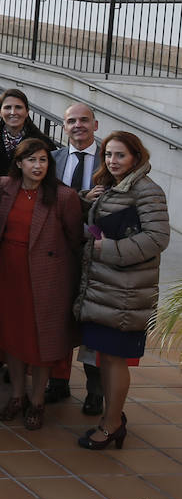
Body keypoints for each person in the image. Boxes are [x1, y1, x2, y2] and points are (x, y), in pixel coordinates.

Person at [76, 131, 170, 450]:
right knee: (107, 359)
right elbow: (96, 229)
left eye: (120, 155)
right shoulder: (112, 187)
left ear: (136, 157)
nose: (113, 161)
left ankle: (112, 424)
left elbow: (157, 238)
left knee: (115, 359)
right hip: (105, 290)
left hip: (126, 293)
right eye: (108, 155)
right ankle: (112, 416)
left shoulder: (147, 190)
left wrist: (106, 249)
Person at [0, 139, 82, 433]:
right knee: (12, 337)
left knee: (41, 343)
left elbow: (75, 240)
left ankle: (37, 401)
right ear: (19, 163)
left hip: (45, 279)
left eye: (43, 160)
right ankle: (16, 396)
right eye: (31, 160)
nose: (38, 166)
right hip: (7, 274)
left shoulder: (64, 197)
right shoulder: (5, 187)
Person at [51, 102, 104, 414]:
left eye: (85, 120)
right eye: (72, 121)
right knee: (58, 319)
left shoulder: (110, 160)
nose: (78, 125)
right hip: (59, 253)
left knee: (92, 323)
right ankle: (57, 381)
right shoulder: (54, 159)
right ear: (64, 126)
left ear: (95, 126)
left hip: (97, 256)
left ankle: (95, 391)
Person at [0, 87, 56, 178]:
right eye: (8, 107)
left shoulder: (44, 143)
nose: (13, 112)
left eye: (18, 107)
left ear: (27, 112)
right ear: (0, 112)